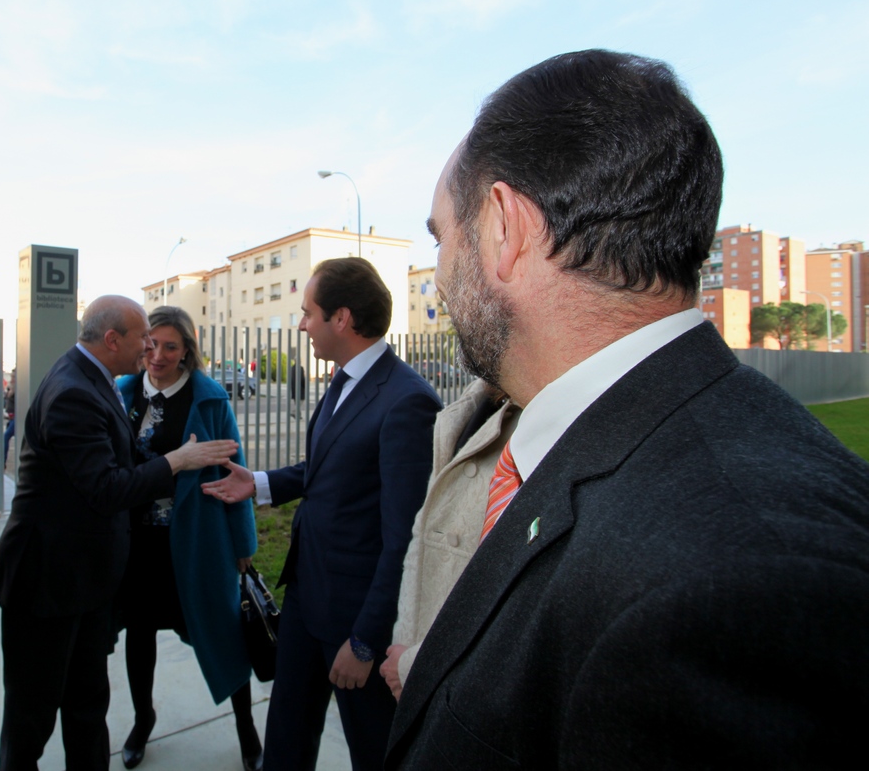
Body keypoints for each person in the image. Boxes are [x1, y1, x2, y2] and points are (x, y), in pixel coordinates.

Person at [385, 50, 869, 770]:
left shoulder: (730, 589)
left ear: (504, 228)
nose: (439, 277)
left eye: (441, 235)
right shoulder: (630, 445)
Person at [203, 257, 442, 771]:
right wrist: (262, 483)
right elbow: (333, 464)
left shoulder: (408, 402)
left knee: (373, 753)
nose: (301, 324)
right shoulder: (341, 379)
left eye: (308, 312)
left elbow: (403, 540)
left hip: (353, 624)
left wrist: (364, 641)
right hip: (306, 601)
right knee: (286, 742)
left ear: (342, 318)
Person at [0, 295, 239, 771]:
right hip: (47, 584)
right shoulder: (74, 392)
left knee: (86, 708)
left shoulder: (93, 380)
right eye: (143, 337)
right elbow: (105, 488)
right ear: (112, 340)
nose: (149, 348)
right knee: (31, 720)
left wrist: (181, 461)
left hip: (82, 583)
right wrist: (175, 462)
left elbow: (120, 462)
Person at [115, 306, 261, 771]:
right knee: (139, 633)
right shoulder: (121, 393)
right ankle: (143, 719)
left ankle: (247, 730)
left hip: (198, 541)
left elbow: (234, 476)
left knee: (221, 630)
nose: (156, 355)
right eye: (150, 344)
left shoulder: (210, 399)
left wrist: (243, 545)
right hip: (137, 543)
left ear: (187, 352)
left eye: (170, 346)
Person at [377, 379, 518, 700]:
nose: (302, 324)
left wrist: (415, 663)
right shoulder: (478, 399)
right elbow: (423, 532)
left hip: (463, 695)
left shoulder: (409, 398)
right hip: (413, 666)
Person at [0, 368, 17, 474]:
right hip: (11, 418)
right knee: (5, 439)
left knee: (5, 438)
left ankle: (2, 465)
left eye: (13, 376)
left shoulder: (18, 387)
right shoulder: (11, 386)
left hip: (16, 418)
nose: (11, 378)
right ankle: (1, 464)